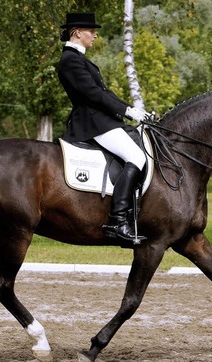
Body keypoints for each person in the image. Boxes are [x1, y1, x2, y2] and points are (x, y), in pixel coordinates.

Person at [57, 12, 149, 245]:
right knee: (136, 157)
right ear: (77, 32)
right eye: (91, 31)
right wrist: (127, 112)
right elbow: (93, 94)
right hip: (92, 122)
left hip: (101, 120)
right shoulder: (70, 60)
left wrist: (130, 108)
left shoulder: (80, 59)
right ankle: (118, 220)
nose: (95, 35)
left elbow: (105, 94)